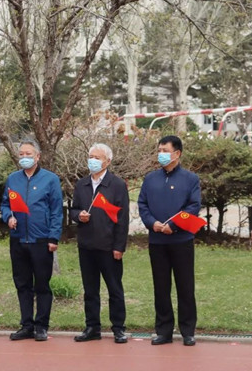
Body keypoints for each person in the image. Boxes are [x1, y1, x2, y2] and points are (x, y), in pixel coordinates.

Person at [138, 135, 201, 347]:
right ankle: (164, 331)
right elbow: (142, 204)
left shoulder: (190, 179)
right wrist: (153, 223)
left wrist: (173, 225)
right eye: (159, 150)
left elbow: (193, 206)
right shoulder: (150, 179)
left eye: (165, 150)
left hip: (182, 240)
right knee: (161, 287)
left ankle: (187, 331)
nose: (161, 154)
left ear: (177, 153)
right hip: (157, 241)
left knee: (185, 286)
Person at [0, 139, 63, 342]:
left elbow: (56, 210)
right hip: (18, 239)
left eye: (28, 154)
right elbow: (5, 204)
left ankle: (41, 326)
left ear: (37, 156)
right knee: (22, 284)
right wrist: (8, 217)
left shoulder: (50, 179)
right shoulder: (13, 179)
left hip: (41, 240)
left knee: (42, 285)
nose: (24, 157)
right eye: (21, 154)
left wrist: (53, 237)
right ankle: (26, 325)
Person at [70, 144, 129, 344]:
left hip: (109, 247)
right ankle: (92, 327)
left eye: (97, 157)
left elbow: (122, 218)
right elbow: (73, 210)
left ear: (107, 161)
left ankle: (118, 328)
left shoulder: (117, 185)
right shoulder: (82, 184)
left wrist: (119, 247)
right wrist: (79, 215)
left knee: (115, 289)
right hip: (87, 246)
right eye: (90, 156)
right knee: (90, 290)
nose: (92, 160)